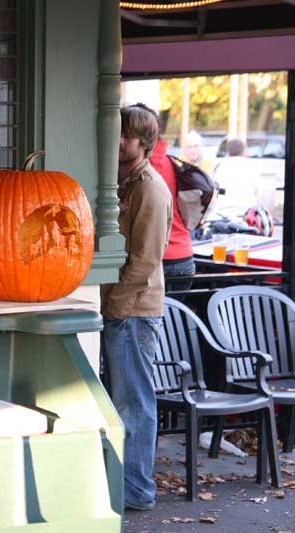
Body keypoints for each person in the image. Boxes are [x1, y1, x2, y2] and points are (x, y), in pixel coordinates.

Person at [101, 104, 173, 512]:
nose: (121, 142)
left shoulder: (149, 188)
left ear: (145, 142)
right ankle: (128, 485)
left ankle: (136, 490)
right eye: (118, 134)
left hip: (133, 311)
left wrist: (115, 306)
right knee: (123, 401)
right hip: (121, 308)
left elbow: (146, 259)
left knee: (135, 404)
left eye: (128, 136)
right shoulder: (121, 182)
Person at [139, 105, 195, 290]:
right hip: (184, 256)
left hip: (157, 261)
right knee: (174, 319)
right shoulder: (173, 163)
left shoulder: (139, 169)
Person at [212, 139, 260, 219]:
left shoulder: (219, 168)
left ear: (228, 152)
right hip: (246, 214)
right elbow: (258, 193)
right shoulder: (252, 167)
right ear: (244, 152)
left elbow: (213, 192)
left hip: (222, 215)